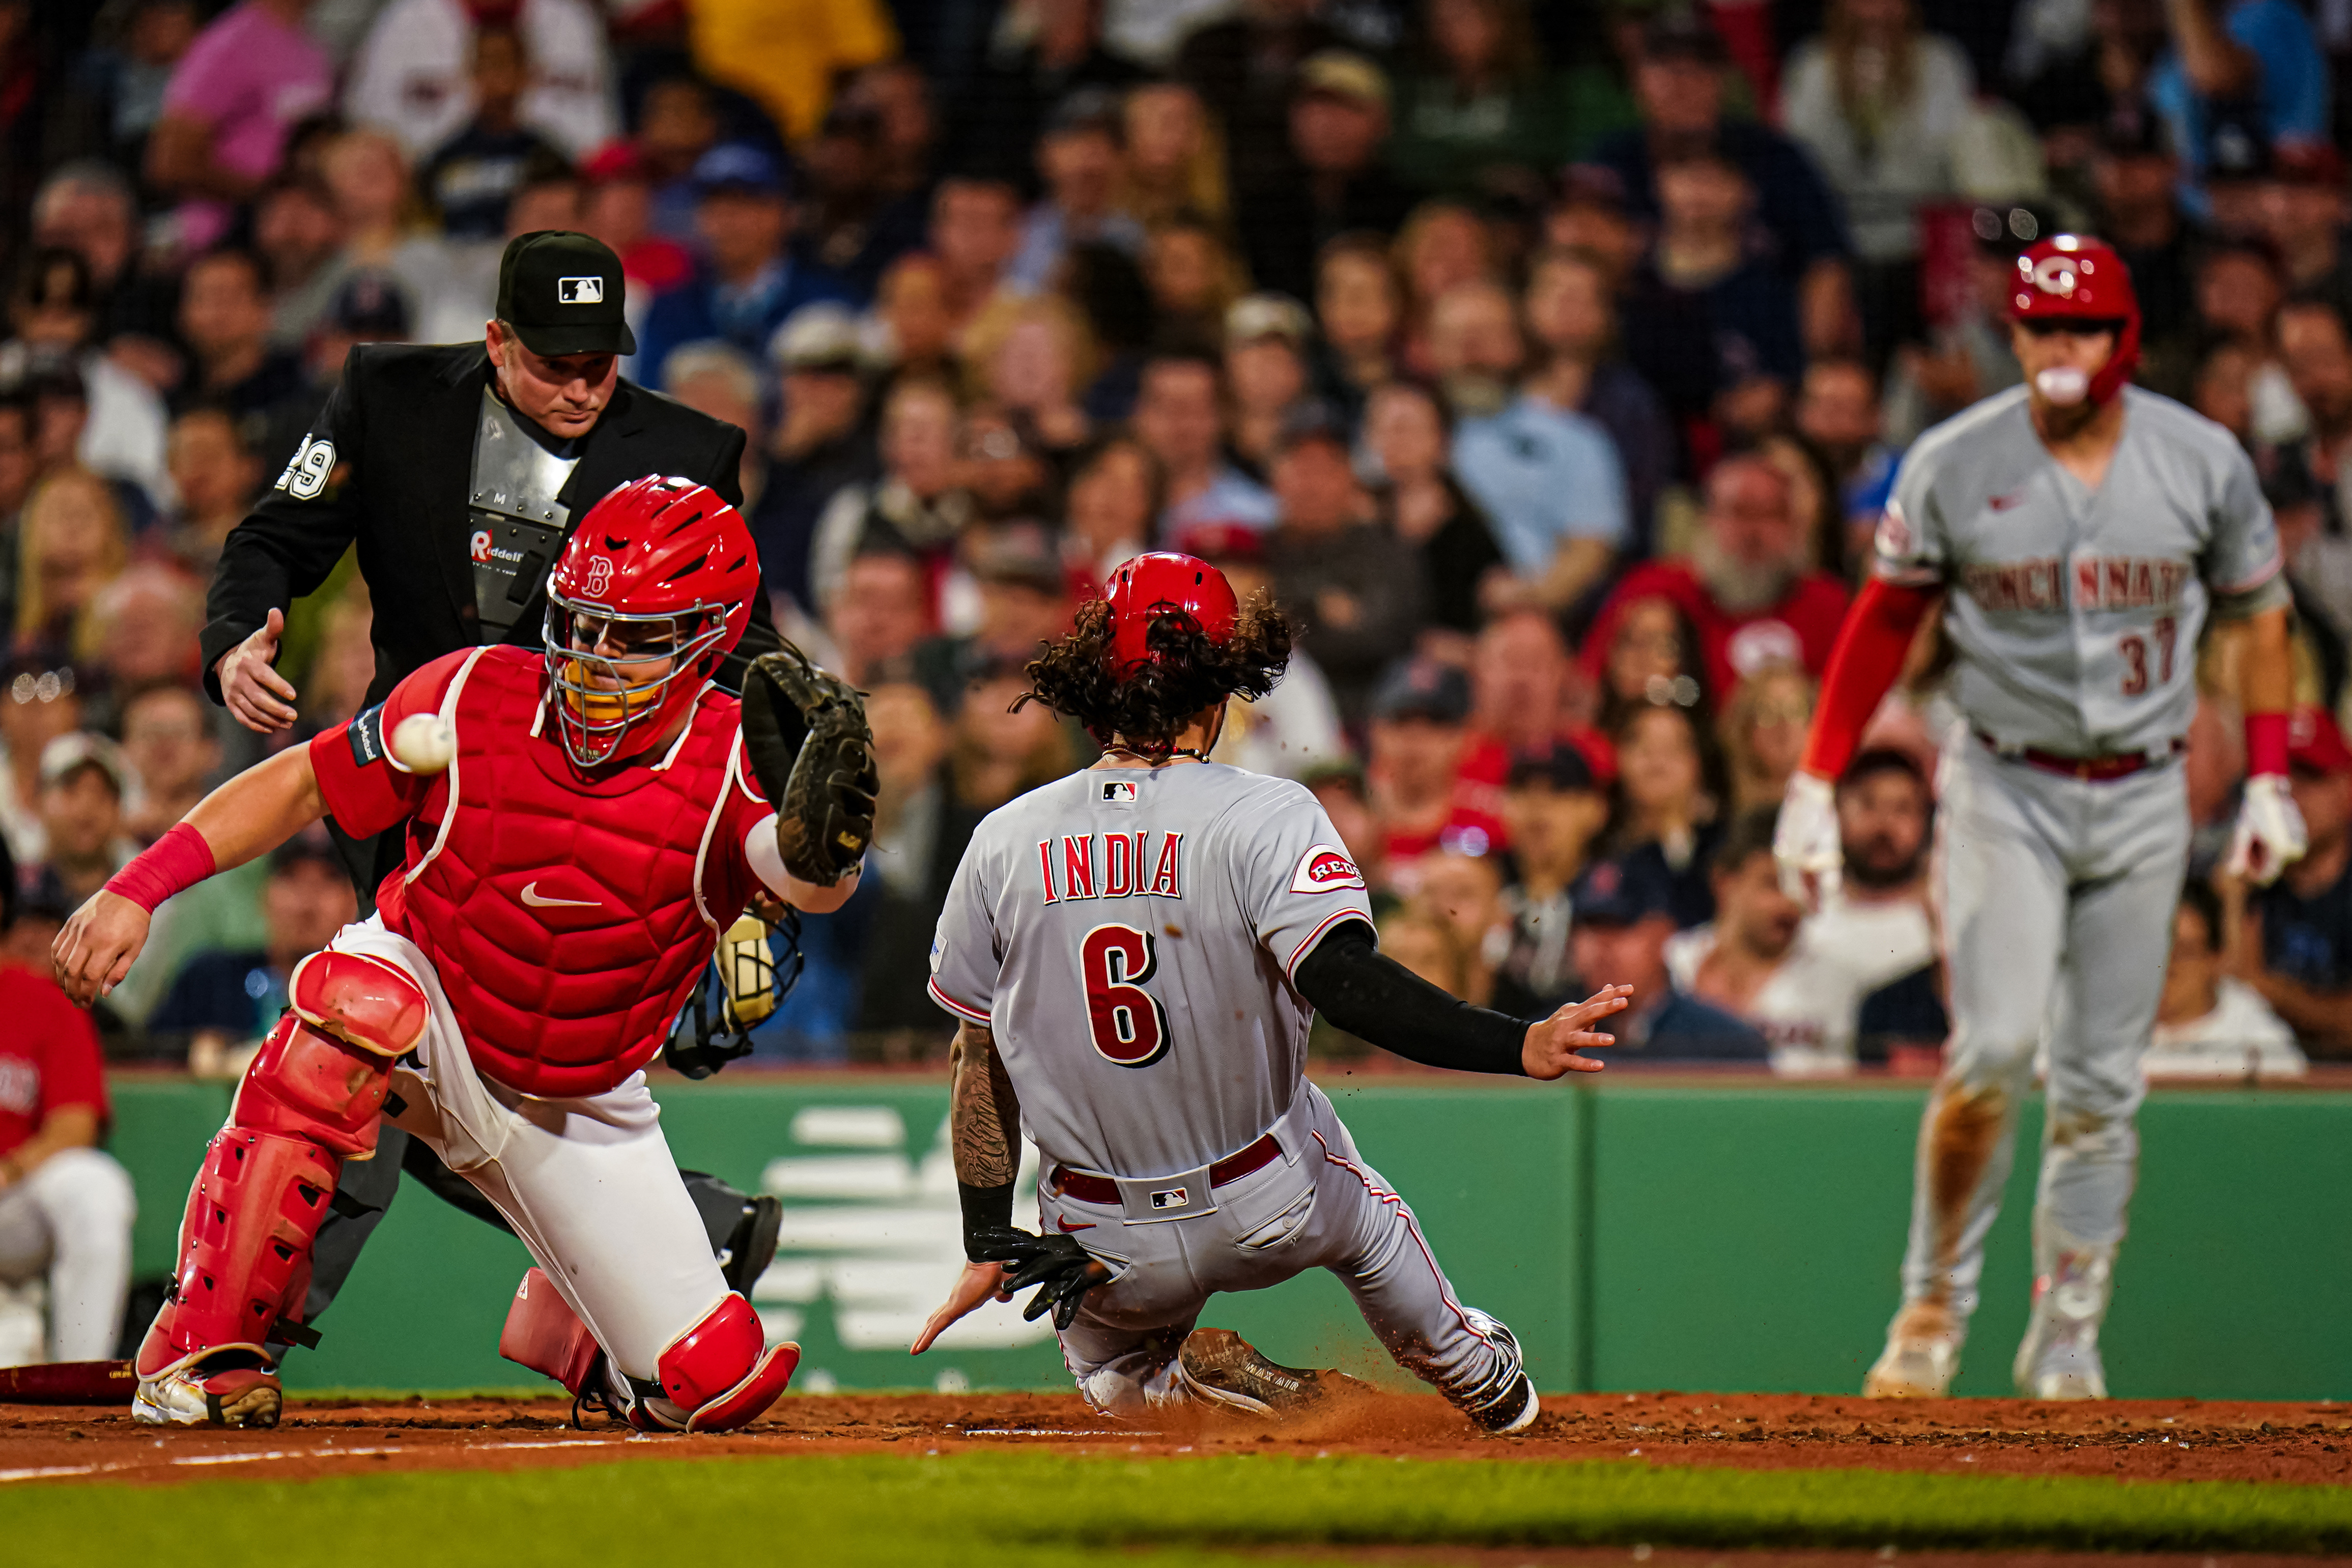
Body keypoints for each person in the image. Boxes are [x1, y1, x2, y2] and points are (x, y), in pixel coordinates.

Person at [57, 476, 866, 1429]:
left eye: (635, 636)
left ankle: (586, 1331)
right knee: (347, 1012)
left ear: (710, 640)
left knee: (708, 1383)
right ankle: (198, 1348)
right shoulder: (473, 688)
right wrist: (134, 888)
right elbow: (298, 785)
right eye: (584, 624)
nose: (598, 657)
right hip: (428, 999)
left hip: (580, 1093)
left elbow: (807, 881)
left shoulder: (743, 757)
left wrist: (831, 837)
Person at [195, 231, 787, 1353]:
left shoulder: (690, 446)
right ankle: (698, 1232)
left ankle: (248, 1322)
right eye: (553, 360)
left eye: (599, 363)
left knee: (384, 1061)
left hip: (588, 813)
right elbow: (276, 532)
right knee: (427, 1081)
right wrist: (236, 639)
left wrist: (774, 806)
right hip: (424, 774)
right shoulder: (387, 396)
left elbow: (733, 634)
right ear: (495, 339)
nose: (580, 385)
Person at [910, 549, 1631, 1428]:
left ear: (1095, 681)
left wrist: (987, 1236)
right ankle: (1477, 1372)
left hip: (1103, 1239)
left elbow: (976, 1060)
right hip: (1272, 1198)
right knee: (1359, 1215)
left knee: (1125, 1393)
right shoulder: (1264, 811)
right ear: (1221, 690)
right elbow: (1346, 983)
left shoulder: (1001, 839)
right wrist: (1513, 1042)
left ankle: (1183, 1380)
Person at [1774, 235, 2301, 1401]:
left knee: (2105, 1086)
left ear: (2126, 340)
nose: (2060, 349)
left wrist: (2265, 773)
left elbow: (2264, 619)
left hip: (2148, 788)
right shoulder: (1956, 460)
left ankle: (2068, 1331)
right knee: (1996, 1052)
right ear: (2012, 335)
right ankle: (1931, 1308)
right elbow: (1881, 620)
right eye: (2040, 328)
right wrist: (1815, 779)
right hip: (2006, 783)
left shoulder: (2199, 459)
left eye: (2083, 329)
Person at [1583, 453, 1852, 703]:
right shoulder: (1654, 592)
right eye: (1740, 512)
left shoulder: (1828, 605)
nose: (1753, 533)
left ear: (1795, 526)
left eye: (1771, 515)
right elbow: (1589, 689)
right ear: (1707, 519)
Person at [0, 870, 135, 1362]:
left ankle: (79, 1373)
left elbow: (75, 1124)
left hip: (10, 1203)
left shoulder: (39, 998)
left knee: (94, 1185)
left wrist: (11, 1169)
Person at [1668, 806, 1911, 1074]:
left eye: (1801, 888)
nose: (1789, 905)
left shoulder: (1837, 985)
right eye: (1772, 884)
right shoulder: (1673, 964)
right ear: (1725, 882)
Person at [632, 145, 855, 389]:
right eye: (714, 205)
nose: (727, 220)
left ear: (785, 213)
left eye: (744, 203)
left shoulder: (825, 302)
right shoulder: (671, 311)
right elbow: (651, 401)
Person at [148, 834, 355, 1075]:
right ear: (264, 896)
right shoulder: (210, 979)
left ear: (352, 902)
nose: (306, 904)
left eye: (327, 882)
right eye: (291, 879)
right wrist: (195, 1050)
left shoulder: (367, 997)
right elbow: (145, 1059)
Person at [1565, 854, 1766, 1062]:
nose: (1603, 946)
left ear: (1662, 934)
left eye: (1622, 928)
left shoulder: (1726, 1043)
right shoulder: (1552, 1037)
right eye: (1591, 928)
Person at [2234, 704, 2352, 1058]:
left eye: (2310, 777)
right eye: (2280, 780)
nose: (2292, 794)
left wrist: (2268, 990)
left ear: (2347, 789)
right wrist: (2230, 899)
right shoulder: (2244, 876)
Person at [1493, 739, 1610, 1017]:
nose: (1538, 804)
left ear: (1595, 809)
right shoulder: (1481, 893)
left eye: (1558, 791)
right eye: (1522, 790)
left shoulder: (1620, 898)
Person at [2151, 877, 2302, 1076]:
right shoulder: (2110, 1030)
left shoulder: (2258, 1039)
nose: (2167, 967)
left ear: (2216, 958)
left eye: (2183, 953)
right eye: (2154, 953)